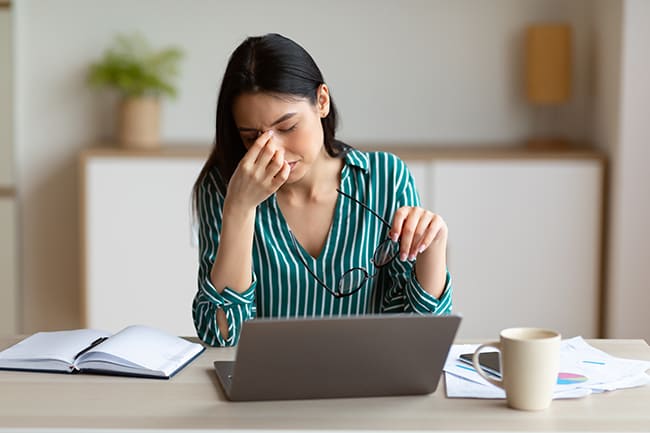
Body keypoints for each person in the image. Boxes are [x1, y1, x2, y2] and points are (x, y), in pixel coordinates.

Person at [192, 33, 452, 347]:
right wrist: (239, 210)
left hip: (368, 386)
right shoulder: (224, 188)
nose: (272, 150)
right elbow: (221, 335)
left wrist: (434, 248)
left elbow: (421, 338)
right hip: (267, 390)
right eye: (251, 137)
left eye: (287, 128)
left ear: (322, 102)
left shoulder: (385, 177)